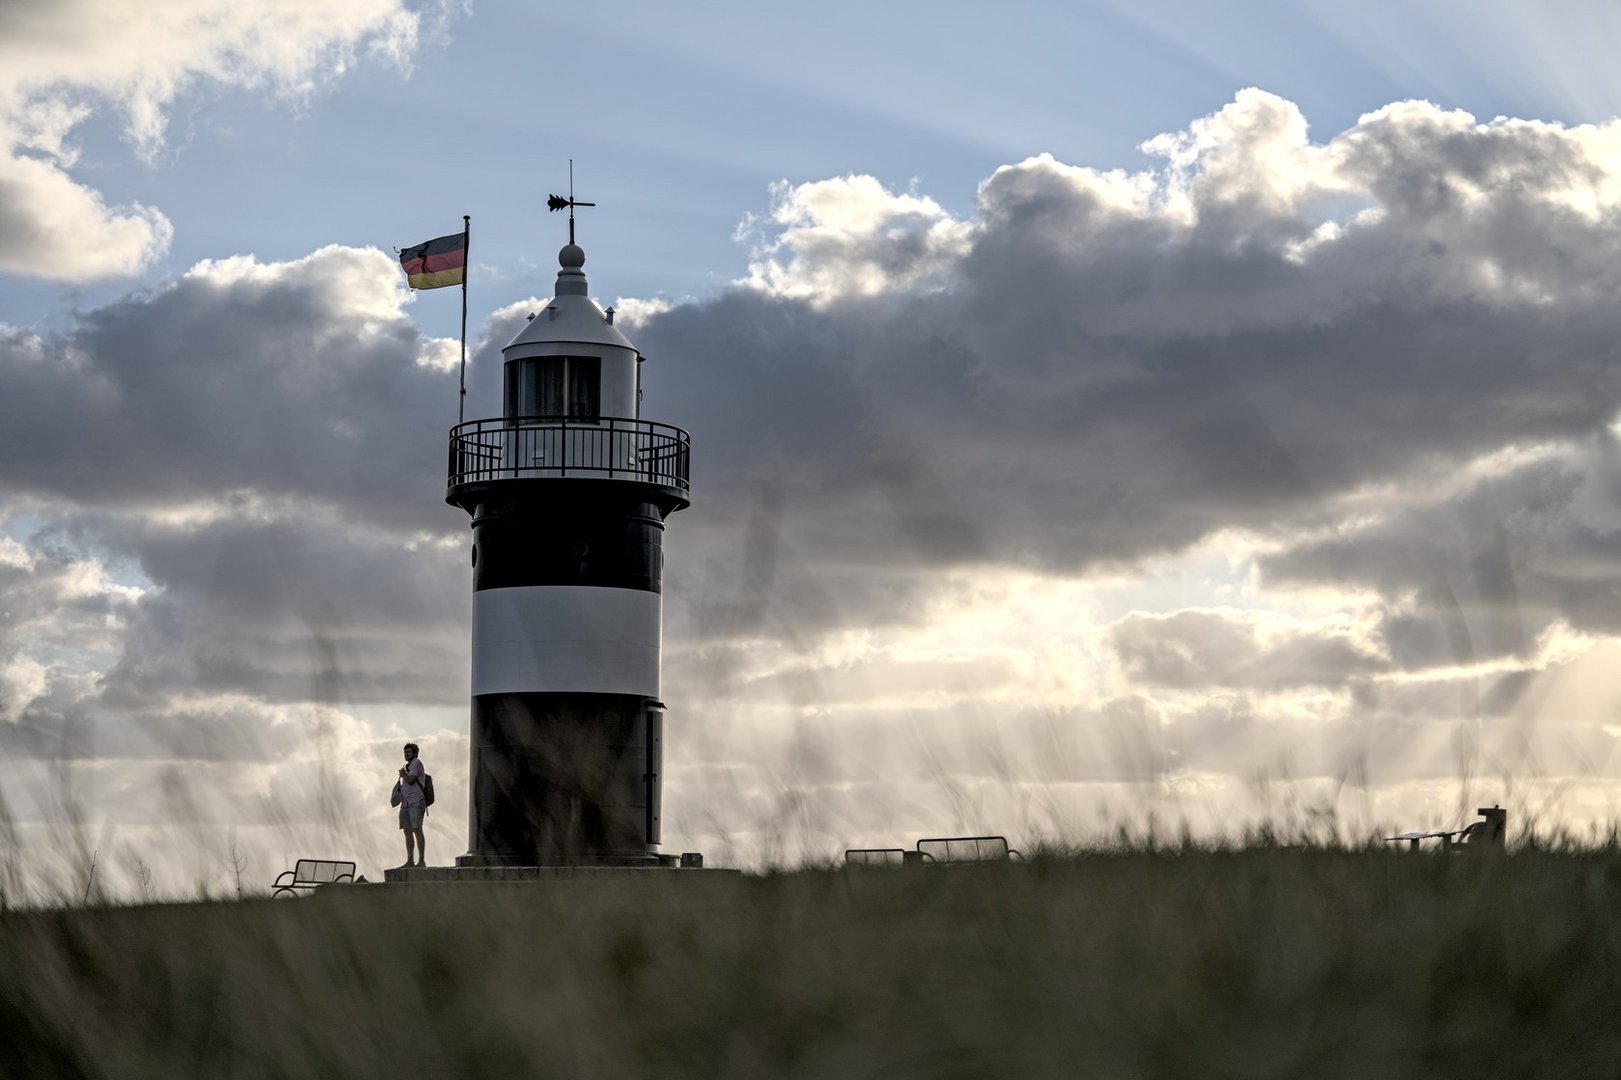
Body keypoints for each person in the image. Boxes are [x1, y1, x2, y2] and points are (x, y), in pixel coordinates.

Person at [397, 742, 428, 868]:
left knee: (417, 830)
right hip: (406, 803)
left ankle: (421, 860)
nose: (406, 754)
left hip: (416, 802)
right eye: (405, 752)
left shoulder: (417, 763)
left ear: (415, 753)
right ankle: (410, 860)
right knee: (407, 831)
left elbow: (410, 780)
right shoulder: (408, 765)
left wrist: (403, 775)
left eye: (408, 752)